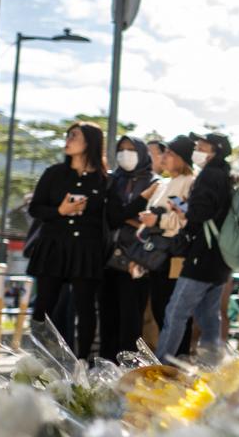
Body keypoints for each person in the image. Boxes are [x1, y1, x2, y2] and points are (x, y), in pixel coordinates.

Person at [27, 121, 110, 360]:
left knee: (85, 308)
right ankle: (38, 358)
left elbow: (111, 216)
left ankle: (82, 361)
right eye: (68, 135)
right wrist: (60, 211)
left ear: (90, 142)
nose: (68, 139)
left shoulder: (104, 180)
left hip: (87, 249)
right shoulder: (54, 173)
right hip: (54, 245)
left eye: (75, 135)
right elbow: (35, 209)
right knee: (44, 304)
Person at [155, 132, 234, 362]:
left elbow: (200, 213)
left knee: (176, 312)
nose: (197, 148)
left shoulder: (209, 175)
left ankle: (162, 365)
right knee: (209, 317)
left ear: (215, 151)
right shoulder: (224, 174)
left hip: (201, 257)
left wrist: (185, 212)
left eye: (202, 145)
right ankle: (212, 366)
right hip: (219, 259)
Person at [99, 135, 158, 361]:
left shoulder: (156, 182)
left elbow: (154, 223)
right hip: (107, 259)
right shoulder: (113, 180)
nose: (125, 154)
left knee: (132, 321)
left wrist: (133, 219)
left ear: (142, 153)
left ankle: (128, 370)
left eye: (131, 149)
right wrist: (134, 216)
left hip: (138, 260)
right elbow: (113, 217)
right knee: (108, 318)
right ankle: (105, 369)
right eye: (121, 149)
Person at [138, 135, 197, 357]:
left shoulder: (192, 182)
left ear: (182, 158)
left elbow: (187, 218)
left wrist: (159, 221)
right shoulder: (161, 183)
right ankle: (165, 361)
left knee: (176, 311)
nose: (164, 157)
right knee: (159, 308)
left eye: (170, 153)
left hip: (176, 252)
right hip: (155, 254)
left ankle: (178, 360)